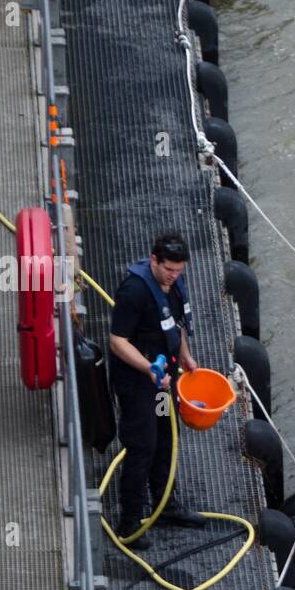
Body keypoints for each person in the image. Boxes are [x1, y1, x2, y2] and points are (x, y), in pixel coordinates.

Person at [108, 232, 207, 549]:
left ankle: (165, 505)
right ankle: (129, 523)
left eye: (179, 271)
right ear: (154, 260)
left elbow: (175, 325)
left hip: (165, 382)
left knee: (166, 439)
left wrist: (187, 356)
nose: (174, 277)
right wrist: (148, 370)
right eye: (169, 270)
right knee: (143, 446)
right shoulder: (134, 292)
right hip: (139, 384)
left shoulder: (175, 285)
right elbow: (117, 341)